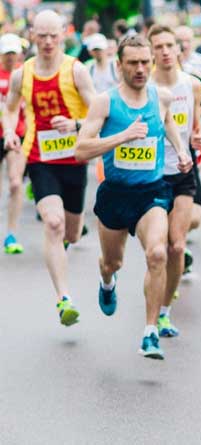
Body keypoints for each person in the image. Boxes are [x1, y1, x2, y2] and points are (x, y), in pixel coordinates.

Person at [75, 34, 193, 359]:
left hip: (151, 192)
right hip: (115, 194)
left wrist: (181, 150)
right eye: (132, 63)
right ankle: (107, 282)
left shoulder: (162, 97)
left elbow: (168, 122)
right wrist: (122, 137)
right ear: (119, 66)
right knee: (112, 262)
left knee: (157, 254)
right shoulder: (105, 102)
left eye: (145, 62)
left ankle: (150, 332)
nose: (140, 69)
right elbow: (81, 149)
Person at [2, 10, 95, 326]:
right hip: (40, 159)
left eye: (53, 35)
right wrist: (11, 131)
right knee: (53, 224)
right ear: (32, 35)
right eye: (41, 36)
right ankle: (64, 298)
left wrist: (75, 124)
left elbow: (99, 110)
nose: (47, 42)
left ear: (63, 34)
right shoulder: (22, 74)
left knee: (72, 232)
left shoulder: (76, 71)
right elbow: (10, 109)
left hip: (75, 159)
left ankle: (65, 245)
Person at [148, 24, 201, 337]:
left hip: (183, 171)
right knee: (156, 249)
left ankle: (165, 313)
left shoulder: (192, 85)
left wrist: (199, 137)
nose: (166, 51)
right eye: (159, 47)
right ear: (151, 52)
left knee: (177, 244)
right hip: (150, 174)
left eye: (170, 45)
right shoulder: (145, 87)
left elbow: (195, 126)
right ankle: (153, 300)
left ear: (178, 48)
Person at [0, 33, 26, 254]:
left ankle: (11, 234)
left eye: (13, 53)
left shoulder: (24, 75)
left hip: (17, 135)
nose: (10, 57)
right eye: (6, 53)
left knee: (16, 183)